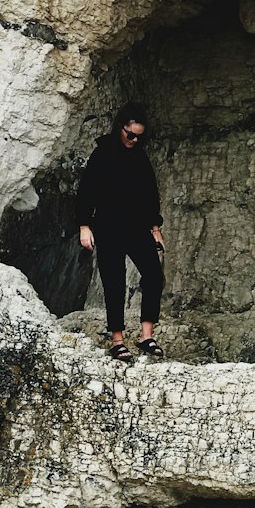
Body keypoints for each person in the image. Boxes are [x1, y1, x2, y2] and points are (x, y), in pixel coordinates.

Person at [76, 102, 166, 363]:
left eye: (140, 136)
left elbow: (150, 193)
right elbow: (87, 191)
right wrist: (84, 225)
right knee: (114, 281)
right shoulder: (103, 153)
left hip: (137, 227)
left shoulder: (140, 156)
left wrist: (155, 227)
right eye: (131, 134)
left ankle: (146, 335)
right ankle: (117, 340)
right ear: (120, 129)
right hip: (109, 227)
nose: (135, 140)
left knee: (152, 275)